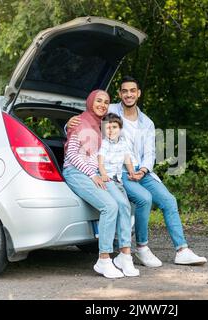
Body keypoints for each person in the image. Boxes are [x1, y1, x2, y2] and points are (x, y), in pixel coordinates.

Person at [67, 76, 207, 267]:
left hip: (141, 171)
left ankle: (182, 250)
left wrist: (143, 170)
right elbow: (89, 117)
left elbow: (150, 152)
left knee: (169, 200)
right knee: (144, 199)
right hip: (119, 170)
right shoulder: (111, 109)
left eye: (132, 91)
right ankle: (142, 247)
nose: (129, 94)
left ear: (138, 93)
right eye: (124, 91)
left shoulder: (147, 123)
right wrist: (69, 124)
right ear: (120, 94)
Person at [62, 89, 140, 279]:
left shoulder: (102, 126)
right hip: (77, 171)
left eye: (106, 102)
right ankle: (103, 259)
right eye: (98, 100)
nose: (102, 104)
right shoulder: (80, 122)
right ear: (90, 102)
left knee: (124, 204)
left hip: (96, 172)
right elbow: (72, 154)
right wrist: (92, 174)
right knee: (110, 206)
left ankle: (124, 255)